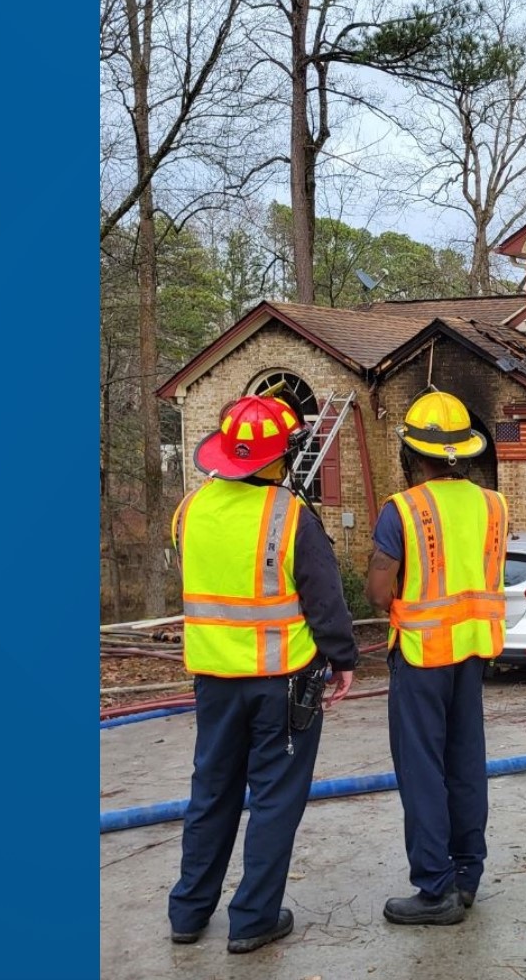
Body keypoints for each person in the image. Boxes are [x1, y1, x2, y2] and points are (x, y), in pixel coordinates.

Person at [166, 393, 358, 953]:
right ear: (279, 460)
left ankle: (189, 912)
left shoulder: (189, 511)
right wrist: (343, 660)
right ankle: (252, 920)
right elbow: (325, 603)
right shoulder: (291, 516)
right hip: (282, 684)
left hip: (213, 680)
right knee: (274, 798)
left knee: (211, 792)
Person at [366, 391, 509, 926]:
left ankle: (434, 887)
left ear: (412, 453)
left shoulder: (402, 509)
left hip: (422, 653)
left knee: (423, 770)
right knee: (466, 762)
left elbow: (380, 594)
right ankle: (467, 875)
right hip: (473, 652)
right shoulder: (493, 504)